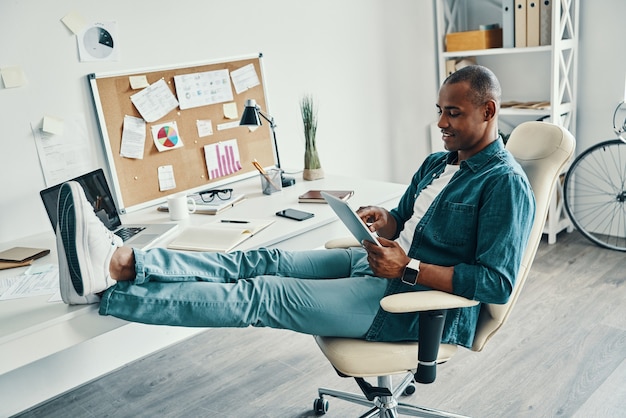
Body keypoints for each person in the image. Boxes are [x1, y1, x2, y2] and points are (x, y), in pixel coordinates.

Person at [56, 65, 535, 349]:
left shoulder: (504, 184)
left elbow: (495, 283)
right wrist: (385, 221)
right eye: (440, 110)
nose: (442, 123)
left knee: (263, 295)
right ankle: (122, 262)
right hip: (376, 262)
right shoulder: (438, 162)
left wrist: (406, 268)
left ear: (488, 111)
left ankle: (112, 293)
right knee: (258, 258)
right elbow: (404, 220)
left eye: (454, 113)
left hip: (410, 304)